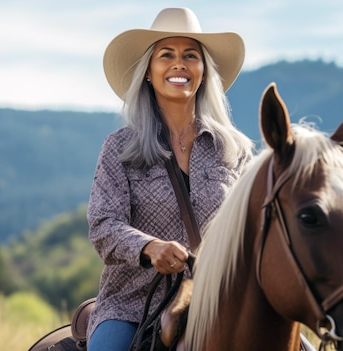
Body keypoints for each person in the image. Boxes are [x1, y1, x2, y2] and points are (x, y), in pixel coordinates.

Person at [86, 7, 254, 350]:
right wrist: (149, 247)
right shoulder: (119, 148)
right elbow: (103, 225)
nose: (179, 64)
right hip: (133, 305)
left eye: (190, 55)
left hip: (224, 301)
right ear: (148, 71)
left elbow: (255, 227)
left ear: (204, 71)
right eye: (167, 55)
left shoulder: (235, 149)